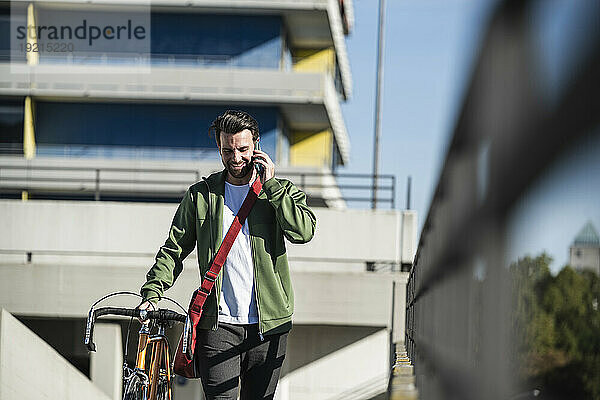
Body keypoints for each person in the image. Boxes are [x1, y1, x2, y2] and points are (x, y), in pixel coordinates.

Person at [138, 110, 316, 399]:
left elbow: (303, 231)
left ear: (256, 146)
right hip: (217, 326)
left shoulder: (279, 192)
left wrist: (271, 187)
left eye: (243, 150)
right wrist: (152, 292)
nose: (235, 158)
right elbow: (174, 249)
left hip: (268, 325)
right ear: (219, 148)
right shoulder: (201, 195)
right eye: (227, 150)